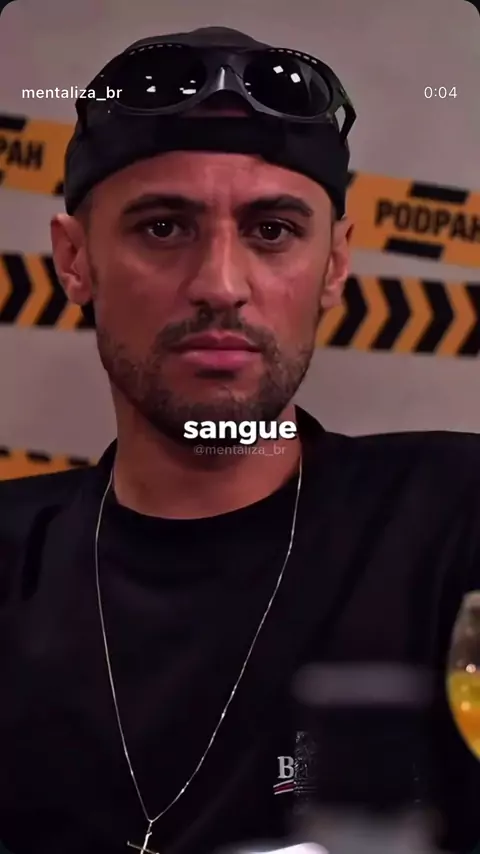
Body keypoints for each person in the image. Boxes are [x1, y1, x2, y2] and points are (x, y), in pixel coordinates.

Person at [0, 24, 479, 854]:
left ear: (335, 265)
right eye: (163, 228)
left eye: (272, 231)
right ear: (74, 261)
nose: (221, 285)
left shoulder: (458, 517)